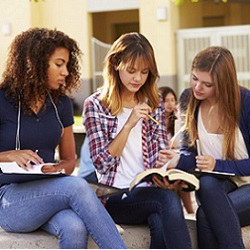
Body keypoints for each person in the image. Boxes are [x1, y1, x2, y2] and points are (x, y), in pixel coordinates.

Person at [0, 27, 126, 249]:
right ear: (36, 62)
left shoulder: (62, 104)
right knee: (76, 187)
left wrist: (57, 169)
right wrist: (9, 155)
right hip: (9, 200)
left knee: (74, 227)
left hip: (51, 193)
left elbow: (69, 161)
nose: (66, 72)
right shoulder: (2, 100)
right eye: (59, 64)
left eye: (67, 65)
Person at [83, 32, 192, 249]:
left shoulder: (154, 103)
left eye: (144, 72)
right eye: (131, 71)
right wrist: (129, 124)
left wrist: (167, 173)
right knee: (167, 202)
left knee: (160, 221)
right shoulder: (95, 105)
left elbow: (159, 154)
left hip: (148, 192)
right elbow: (102, 163)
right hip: (113, 196)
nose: (137, 78)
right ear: (116, 64)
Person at [155, 46, 250, 248]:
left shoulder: (246, 103)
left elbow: (214, 165)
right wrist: (176, 161)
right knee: (207, 182)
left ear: (223, 85)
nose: (197, 87)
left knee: (205, 214)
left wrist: (218, 164)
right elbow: (193, 159)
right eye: (194, 78)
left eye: (207, 84)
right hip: (216, 187)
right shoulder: (189, 99)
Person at [159, 86, 194, 214]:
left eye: (173, 100)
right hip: (162, 159)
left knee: (180, 172)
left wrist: (178, 117)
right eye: (166, 100)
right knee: (175, 172)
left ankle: (190, 211)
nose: (170, 104)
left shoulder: (176, 119)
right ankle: (180, 210)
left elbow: (182, 141)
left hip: (174, 157)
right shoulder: (156, 120)